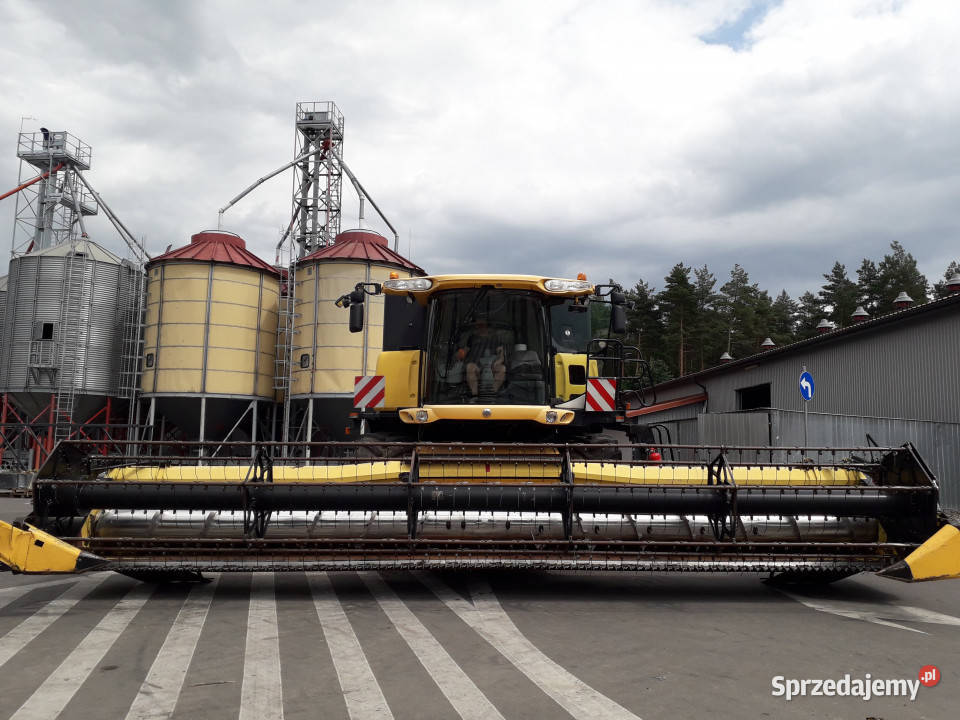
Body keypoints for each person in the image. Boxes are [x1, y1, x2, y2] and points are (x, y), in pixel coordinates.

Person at [456, 317, 506, 399]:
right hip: (477, 366)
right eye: (477, 325)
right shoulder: (472, 338)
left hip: (491, 367)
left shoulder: (495, 338)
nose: (479, 327)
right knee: (470, 367)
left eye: (481, 325)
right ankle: (475, 396)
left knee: (502, 368)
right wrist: (459, 354)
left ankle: (491, 394)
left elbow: (501, 354)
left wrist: (498, 362)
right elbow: (465, 351)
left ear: (487, 325)